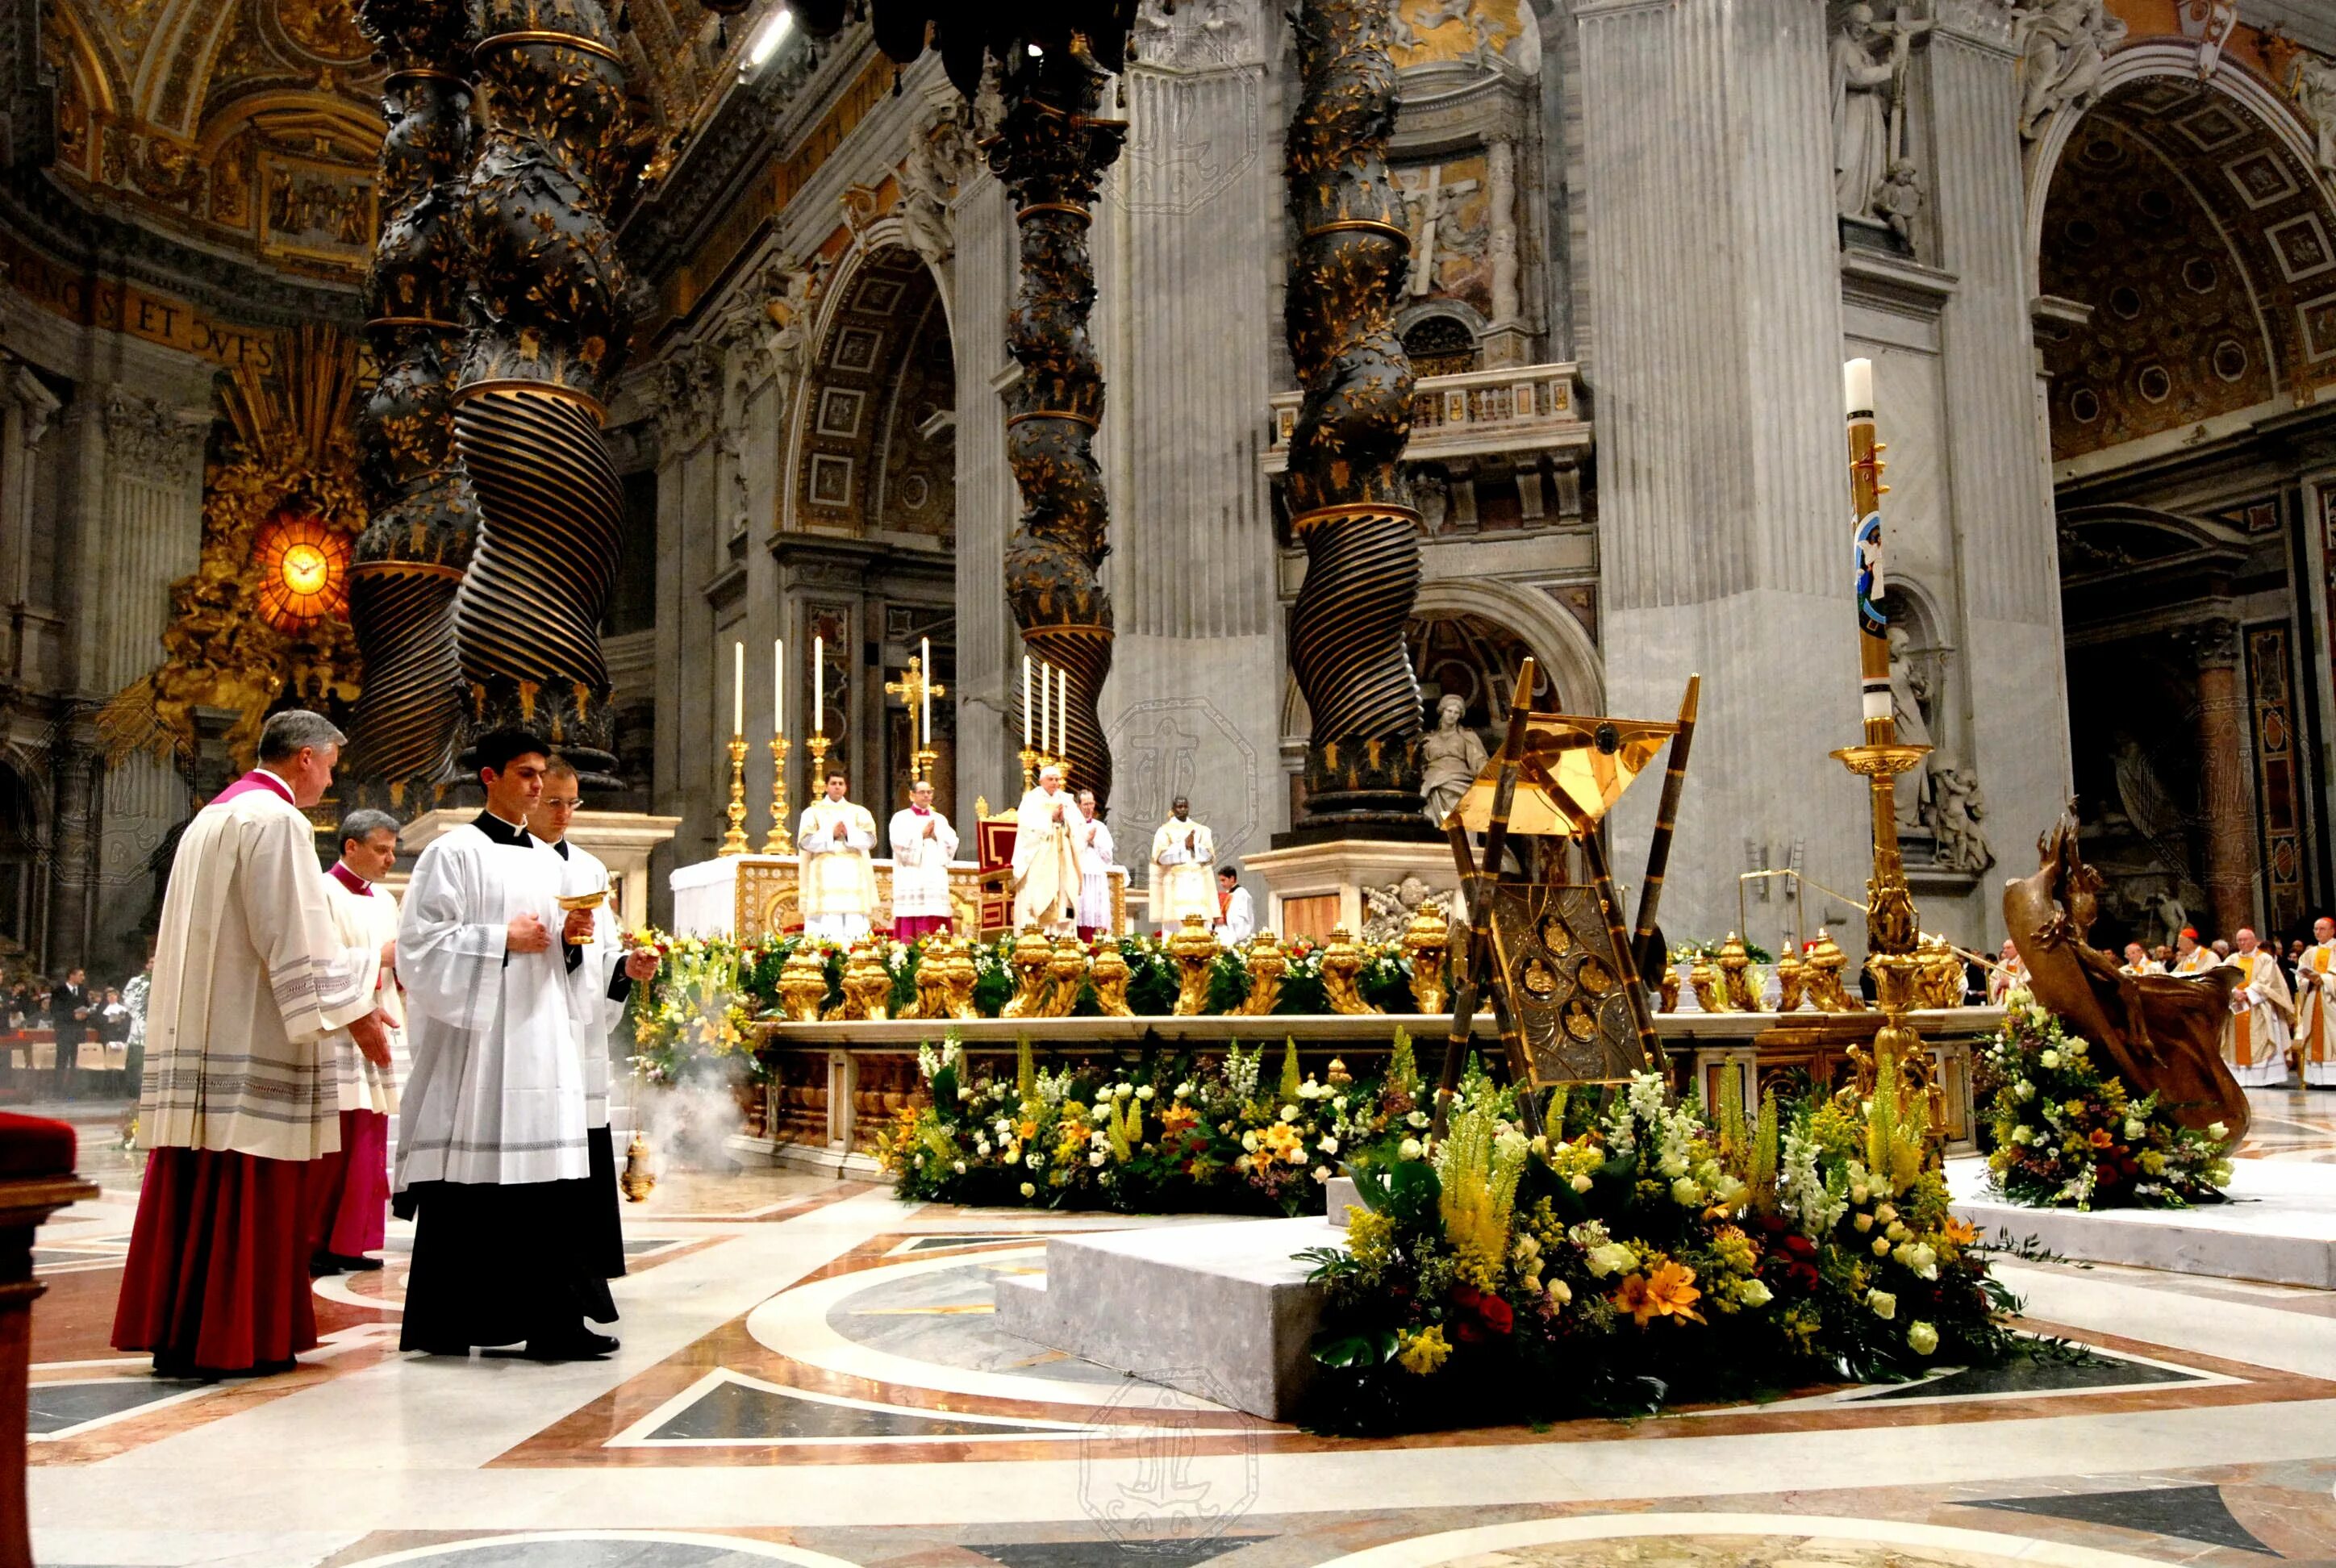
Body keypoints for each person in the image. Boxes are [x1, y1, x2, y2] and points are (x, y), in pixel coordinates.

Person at [111, 710, 390, 1378]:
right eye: (328, 763)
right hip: (250, 1033)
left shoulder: (210, 819)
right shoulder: (280, 821)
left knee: (202, 1177)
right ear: (303, 758)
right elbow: (293, 932)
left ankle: (185, 1333)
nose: (329, 776)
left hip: (207, 1031)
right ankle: (240, 1336)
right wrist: (358, 1013)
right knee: (249, 1177)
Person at [396, 728, 623, 1361]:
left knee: (549, 1188)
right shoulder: (453, 853)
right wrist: (498, 940)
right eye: (525, 774)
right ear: (489, 776)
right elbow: (419, 951)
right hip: (483, 1051)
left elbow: (569, 961)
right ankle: (455, 1321)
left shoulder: (554, 864)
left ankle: (554, 1324)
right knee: (477, 1185)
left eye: (539, 774)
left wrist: (575, 940)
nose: (536, 785)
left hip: (543, 1038)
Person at [528, 755, 659, 1293]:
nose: (563, 814)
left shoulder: (587, 868)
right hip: (534, 1026)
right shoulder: (515, 862)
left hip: (581, 1035)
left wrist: (627, 966)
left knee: (587, 1143)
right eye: (553, 802)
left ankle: (586, 1271)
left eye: (571, 803)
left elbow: (604, 951)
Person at [307, 808, 406, 1277]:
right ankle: (314, 1241)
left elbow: (398, 964)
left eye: (392, 850)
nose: (390, 859)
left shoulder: (387, 901)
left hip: (380, 1021)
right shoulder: (319, 893)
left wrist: (404, 968)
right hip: (337, 1032)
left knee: (369, 1137)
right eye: (381, 849)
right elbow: (315, 960)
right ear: (351, 846)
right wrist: (378, 958)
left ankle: (351, 1241)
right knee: (334, 1140)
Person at [798, 769, 878, 945]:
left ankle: (857, 952)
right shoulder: (812, 812)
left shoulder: (858, 812)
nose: (837, 787)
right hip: (825, 873)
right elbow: (805, 842)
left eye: (841, 784)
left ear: (846, 787)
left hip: (852, 872)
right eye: (833, 783)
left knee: (853, 916)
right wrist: (831, 834)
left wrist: (849, 834)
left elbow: (870, 840)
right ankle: (827, 952)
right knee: (828, 915)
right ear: (826, 787)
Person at [1011, 765, 1087, 936]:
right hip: (1040, 855)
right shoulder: (1032, 799)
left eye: (1057, 779)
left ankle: (1063, 934)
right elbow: (1025, 826)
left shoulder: (1066, 800)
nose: (1054, 783)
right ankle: (1039, 932)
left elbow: (1079, 826)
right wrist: (1049, 818)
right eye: (1051, 779)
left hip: (1063, 857)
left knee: (1065, 890)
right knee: (1040, 890)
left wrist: (1063, 820)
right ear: (1041, 781)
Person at [886, 778, 958, 942]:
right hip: (912, 875)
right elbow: (898, 844)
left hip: (934, 875)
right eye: (922, 792)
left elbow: (952, 842)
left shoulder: (940, 819)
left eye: (929, 792)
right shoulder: (901, 818)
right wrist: (921, 835)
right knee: (913, 913)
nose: (926, 795)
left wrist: (936, 836)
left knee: (935, 913)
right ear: (912, 795)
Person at [2221, 926, 2293, 1089]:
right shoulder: (2231, 960)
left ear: (2254, 941)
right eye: (2239, 940)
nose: (2242, 943)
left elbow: (2267, 982)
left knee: (2262, 1039)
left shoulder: (2265, 959)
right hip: (2236, 1008)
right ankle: (2240, 1079)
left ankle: (2264, 1079)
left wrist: (2247, 993)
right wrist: (2233, 992)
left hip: (2259, 1007)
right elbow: (2222, 977)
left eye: (2245, 939)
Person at [1151, 797, 1216, 935]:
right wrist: (1183, 846)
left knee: (1200, 923)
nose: (1182, 809)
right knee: (1175, 926)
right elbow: (1160, 858)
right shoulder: (1164, 831)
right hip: (1176, 883)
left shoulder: (1201, 830)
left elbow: (1210, 856)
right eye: (1179, 807)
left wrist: (1194, 847)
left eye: (1185, 806)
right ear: (1173, 809)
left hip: (1198, 883)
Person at [2294, 915, 2334, 1089]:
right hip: (2313, 999)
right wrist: (2308, 980)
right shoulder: (2309, 953)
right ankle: (2317, 1078)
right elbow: (2299, 976)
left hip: (2331, 1001)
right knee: (2313, 1035)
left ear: (2333, 931)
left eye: (2322, 929)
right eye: (2316, 929)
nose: (2318, 932)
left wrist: (2324, 979)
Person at [1075, 789, 1115, 940]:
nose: (1089, 807)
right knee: (1081, 910)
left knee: (1096, 910)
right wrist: (1085, 840)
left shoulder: (1101, 827)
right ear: (1078, 805)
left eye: (1091, 803)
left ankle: (1097, 946)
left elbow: (1108, 856)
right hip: (1079, 876)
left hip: (1097, 876)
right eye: (1085, 804)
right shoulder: (1072, 826)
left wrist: (1093, 841)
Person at [54, 965, 92, 1087]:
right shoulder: (59, 991)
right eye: (80, 975)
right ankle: (58, 1089)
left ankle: (74, 1089)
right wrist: (73, 1016)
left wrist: (86, 1014)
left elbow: (88, 1007)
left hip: (79, 1031)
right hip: (64, 1031)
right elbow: (55, 1012)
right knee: (62, 1060)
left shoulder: (83, 991)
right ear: (72, 976)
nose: (83, 978)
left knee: (77, 1061)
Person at [1214, 865, 1254, 947]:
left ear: (1232, 878)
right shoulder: (1229, 894)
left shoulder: (1241, 893)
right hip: (1226, 932)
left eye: (1223, 880)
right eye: (1220, 881)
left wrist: (1224, 919)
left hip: (1236, 934)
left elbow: (1240, 917)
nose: (1221, 883)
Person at [1986, 937, 2026, 1004]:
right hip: (2004, 1002)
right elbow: (1992, 980)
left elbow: (2028, 982)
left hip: (2021, 1003)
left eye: (2008, 948)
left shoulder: (2025, 963)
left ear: (2017, 948)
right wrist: (1999, 984)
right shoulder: (2002, 964)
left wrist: (2010, 983)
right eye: (2004, 948)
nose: (2005, 951)